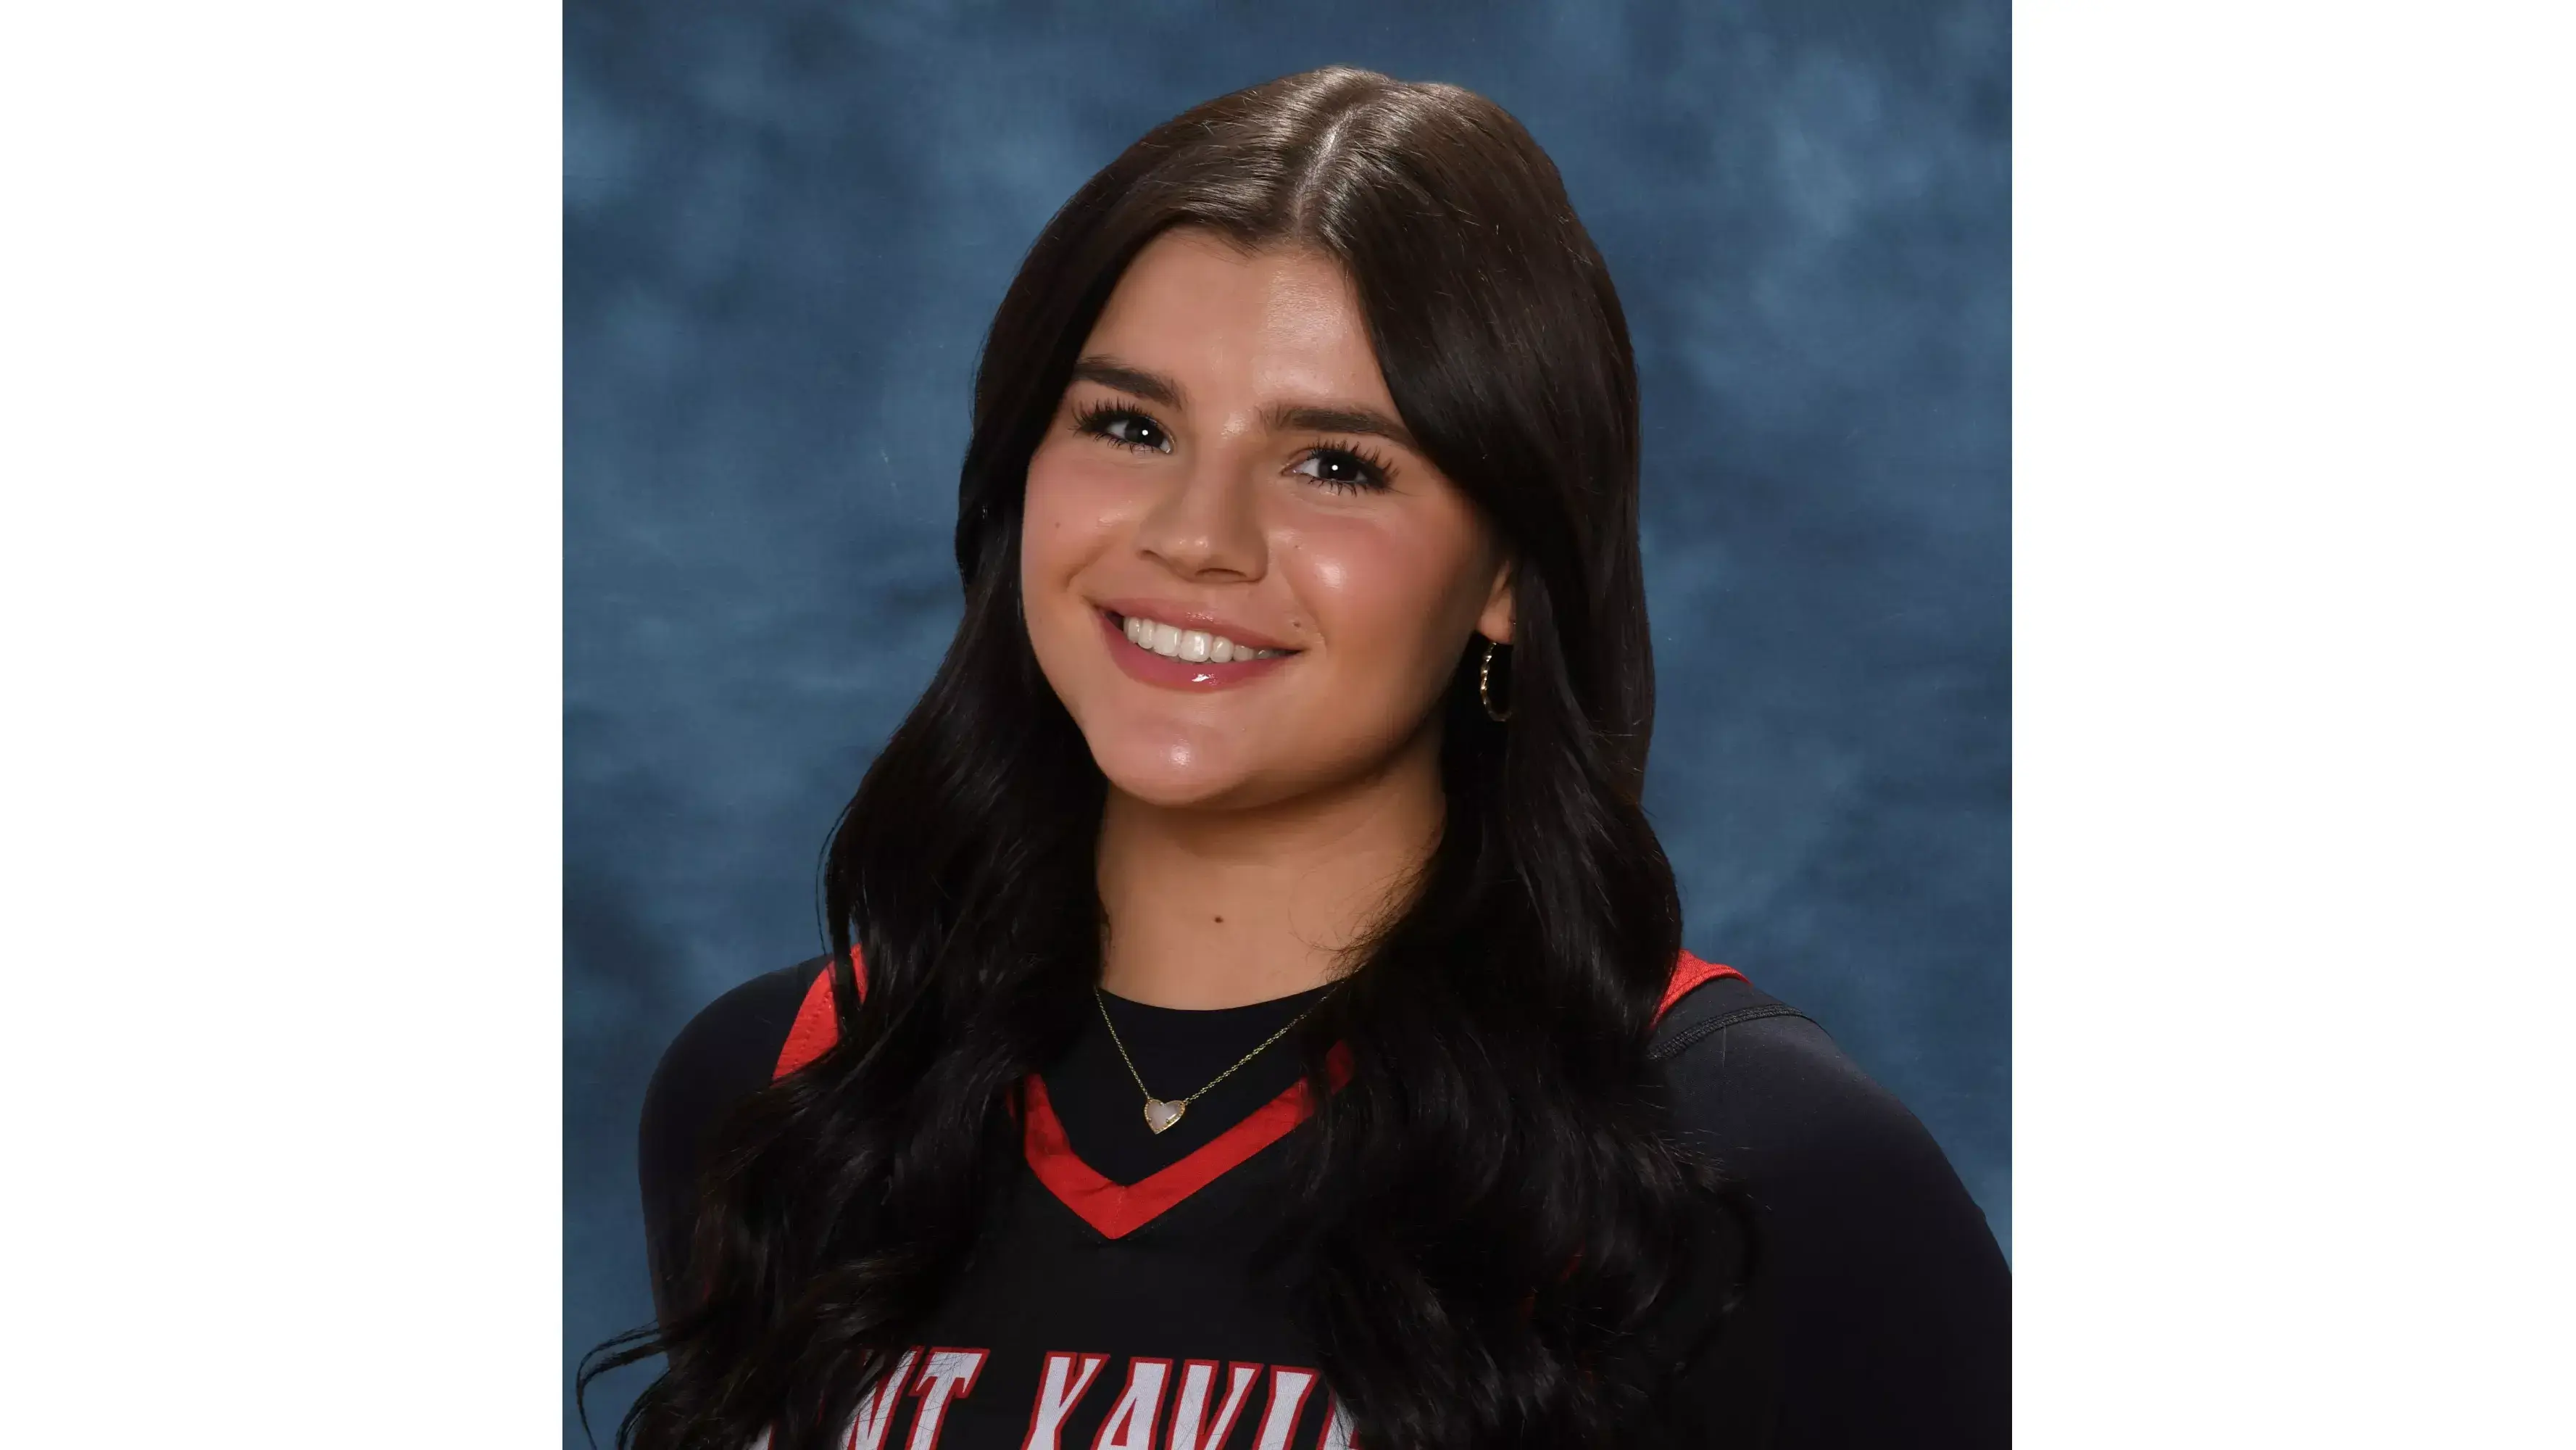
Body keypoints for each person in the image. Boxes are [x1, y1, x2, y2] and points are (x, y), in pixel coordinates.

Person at [589, 65, 2008, 1450]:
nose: (1195, 537)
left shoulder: (1757, 1157)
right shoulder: (789, 1094)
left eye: (1336, 463)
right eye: (1129, 426)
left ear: (1507, 574)